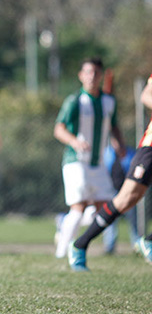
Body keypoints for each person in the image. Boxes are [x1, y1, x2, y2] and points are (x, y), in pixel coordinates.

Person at [69, 74, 152, 271]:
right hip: (151, 148)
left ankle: (148, 240)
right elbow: (146, 95)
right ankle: (80, 245)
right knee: (125, 200)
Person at [53, 57, 126, 259]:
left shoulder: (109, 102)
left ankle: (64, 224)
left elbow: (114, 126)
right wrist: (75, 142)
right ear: (80, 76)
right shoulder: (75, 101)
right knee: (79, 206)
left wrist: (118, 142)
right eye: (88, 72)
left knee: (106, 209)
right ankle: (62, 253)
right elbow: (59, 129)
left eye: (95, 72)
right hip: (76, 162)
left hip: (99, 163)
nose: (92, 76)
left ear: (101, 75)